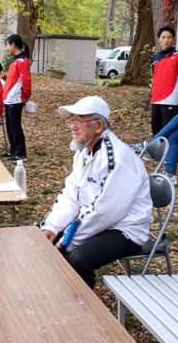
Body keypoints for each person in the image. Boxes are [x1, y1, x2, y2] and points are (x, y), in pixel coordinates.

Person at [40, 96, 153, 288]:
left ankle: (82, 302)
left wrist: (67, 240)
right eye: (72, 120)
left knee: (79, 257)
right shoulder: (83, 152)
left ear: (98, 125)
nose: (73, 127)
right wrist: (51, 227)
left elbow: (105, 210)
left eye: (79, 121)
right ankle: (56, 289)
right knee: (45, 237)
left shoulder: (117, 158)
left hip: (126, 228)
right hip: (99, 219)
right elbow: (71, 195)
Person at [149, 25, 178, 135]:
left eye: (169, 37)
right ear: (159, 39)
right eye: (163, 37)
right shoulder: (155, 58)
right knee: (155, 126)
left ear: (173, 39)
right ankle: (157, 146)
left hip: (171, 98)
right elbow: (154, 76)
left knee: (168, 128)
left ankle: (169, 146)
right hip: (156, 97)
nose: (166, 40)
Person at [2, 34, 32, 161]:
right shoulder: (16, 61)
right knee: (10, 126)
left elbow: (26, 81)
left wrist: (26, 96)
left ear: (13, 45)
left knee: (15, 127)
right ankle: (13, 150)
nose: (7, 48)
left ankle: (20, 153)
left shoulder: (22, 61)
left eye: (8, 45)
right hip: (9, 99)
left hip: (16, 99)